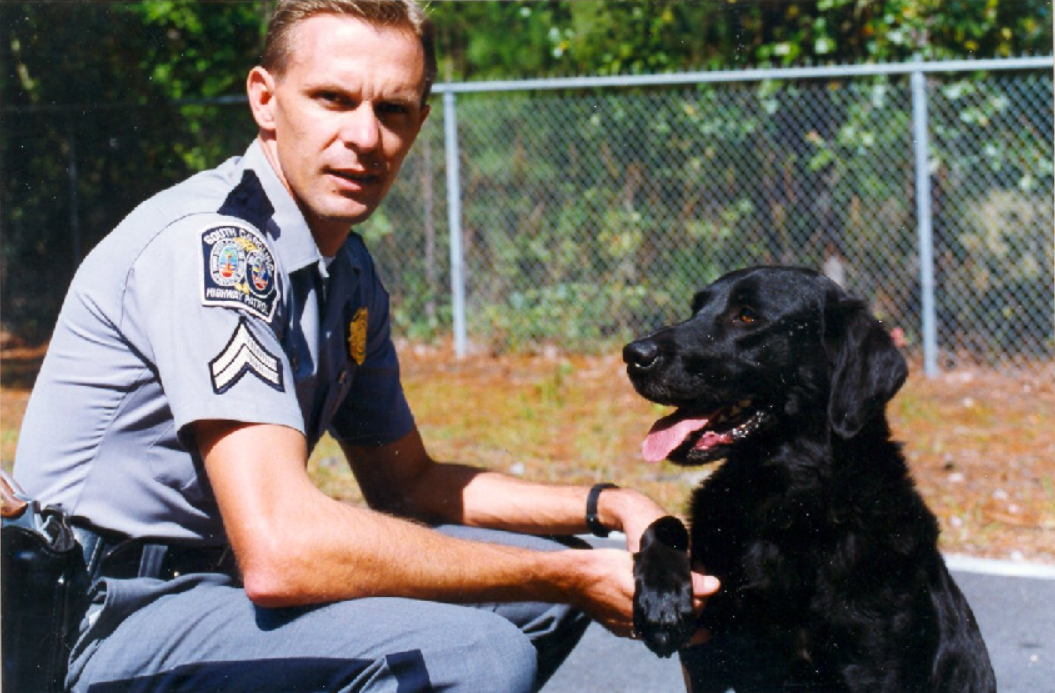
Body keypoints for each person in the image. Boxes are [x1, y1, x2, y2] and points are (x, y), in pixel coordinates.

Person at [13, 2, 718, 691]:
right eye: (332, 98)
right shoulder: (218, 250)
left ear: (417, 123)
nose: (365, 136)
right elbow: (283, 551)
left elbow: (407, 483)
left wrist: (612, 507)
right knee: (474, 652)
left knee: (543, 585)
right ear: (266, 99)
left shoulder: (346, 273)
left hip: (206, 588)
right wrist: (569, 576)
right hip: (89, 623)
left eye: (393, 110)